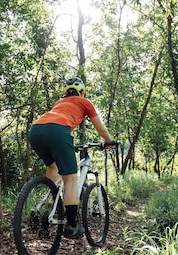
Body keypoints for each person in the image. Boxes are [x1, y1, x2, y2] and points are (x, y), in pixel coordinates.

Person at [29, 77, 115, 239]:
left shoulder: (58, 103)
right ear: (82, 92)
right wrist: (109, 142)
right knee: (71, 179)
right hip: (58, 132)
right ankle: (71, 225)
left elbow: (55, 122)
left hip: (36, 131)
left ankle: (50, 205)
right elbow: (101, 129)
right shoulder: (85, 102)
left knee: (53, 166)